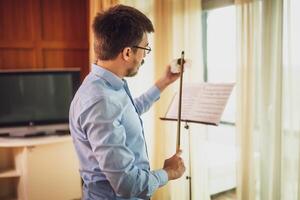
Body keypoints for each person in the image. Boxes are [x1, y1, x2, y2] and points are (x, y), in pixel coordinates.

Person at [69, 4, 185, 200]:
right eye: (145, 48)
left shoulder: (105, 83)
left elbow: (129, 111)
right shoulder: (101, 101)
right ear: (127, 53)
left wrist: (163, 82)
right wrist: (168, 173)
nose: (144, 57)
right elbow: (127, 184)